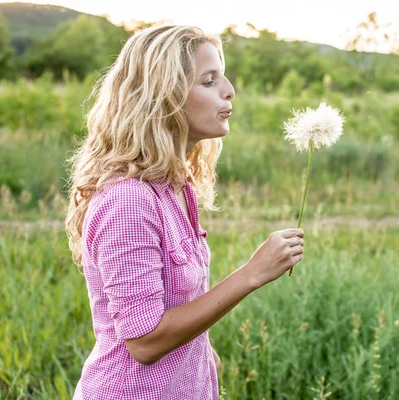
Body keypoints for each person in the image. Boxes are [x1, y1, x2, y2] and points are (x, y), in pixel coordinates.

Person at [64, 24, 305, 400]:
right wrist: (252, 274)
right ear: (164, 97)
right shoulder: (128, 201)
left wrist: (201, 355)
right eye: (209, 81)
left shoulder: (175, 188)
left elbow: (174, 304)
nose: (229, 90)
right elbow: (144, 342)